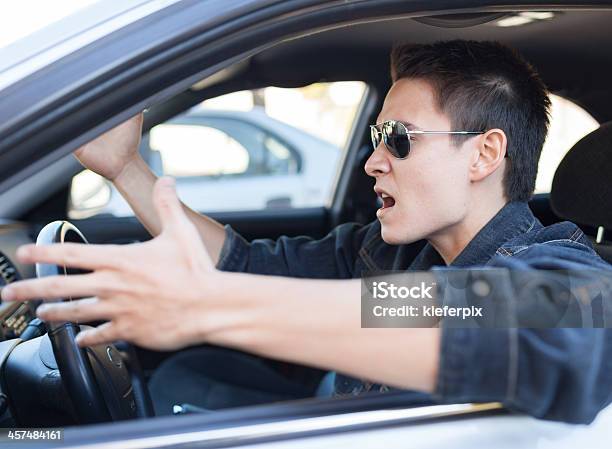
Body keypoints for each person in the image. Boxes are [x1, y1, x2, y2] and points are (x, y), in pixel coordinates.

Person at [2, 40, 611, 424]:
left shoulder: (571, 272)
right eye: (376, 139)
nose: (375, 162)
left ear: (484, 156)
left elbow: (510, 319)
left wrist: (210, 307)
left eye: (398, 139)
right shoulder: (385, 251)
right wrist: (124, 170)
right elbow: (241, 264)